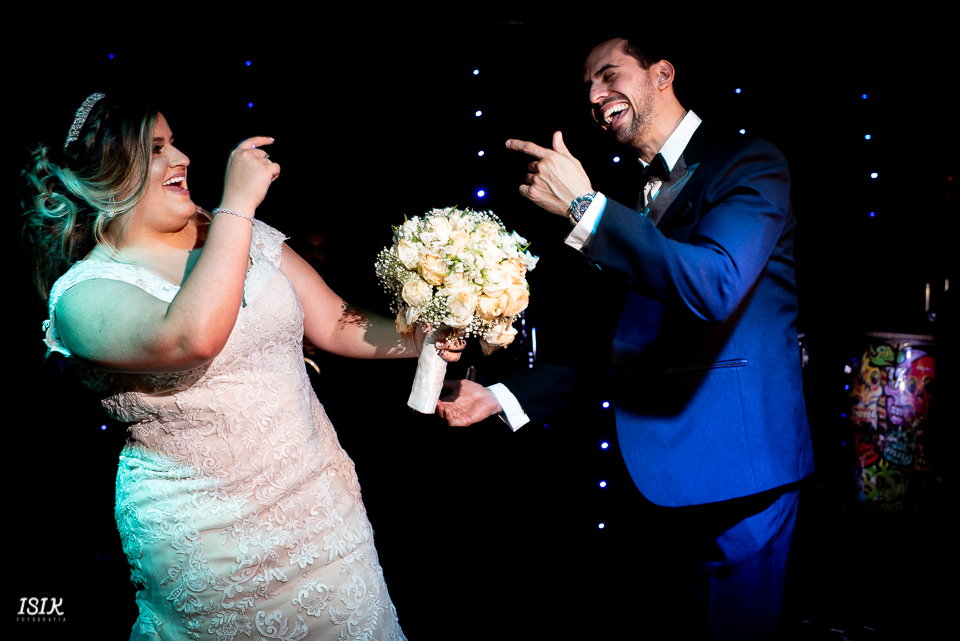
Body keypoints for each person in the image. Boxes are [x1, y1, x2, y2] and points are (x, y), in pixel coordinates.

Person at [23, 93, 462, 640]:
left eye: (175, 142)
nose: (181, 158)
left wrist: (426, 334)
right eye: (156, 149)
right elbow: (191, 337)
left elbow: (332, 322)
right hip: (212, 548)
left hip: (323, 518)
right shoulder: (82, 296)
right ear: (105, 175)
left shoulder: (240, 236)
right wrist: (236, 206)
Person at [437, 37, 814, 639]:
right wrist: (504, 397)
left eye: (609, 75)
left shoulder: (748, 162)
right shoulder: (631, 190)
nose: (594, 96)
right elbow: (614, 337)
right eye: (586, 86)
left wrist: (587, 211)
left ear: (662, 74)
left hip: (738, 472)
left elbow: (715, 285)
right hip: (652, 480)